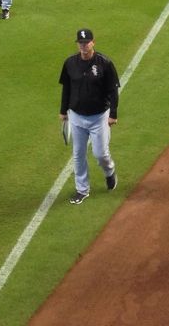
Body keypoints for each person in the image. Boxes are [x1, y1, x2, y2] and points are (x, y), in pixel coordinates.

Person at [59, 27, 120, 205]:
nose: (83, 46)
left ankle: (109, 172)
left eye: (86, 42)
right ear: (77, 44)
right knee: (78, 155)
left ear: (93, 42)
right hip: (76, 116)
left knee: (100, 153)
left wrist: (113, 114)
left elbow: (113, 90)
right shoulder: (70, 63)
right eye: (81, 43)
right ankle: (82, 189)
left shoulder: (104, 63)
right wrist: (63, 111)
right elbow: (67, 89)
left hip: (99, 116)